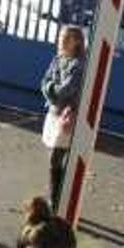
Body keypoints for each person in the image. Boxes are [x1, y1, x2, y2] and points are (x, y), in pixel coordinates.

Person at [40, 26, 86, 210]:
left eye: (66, 38)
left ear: (77, 42)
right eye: (61, 37)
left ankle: (55, 200)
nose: (61, 41)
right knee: (56, 159)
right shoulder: (58, 58)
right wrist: (52, 90)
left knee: (56, 159)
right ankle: (58, 197)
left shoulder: (78, 65)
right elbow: (44, 81)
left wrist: (51, 90)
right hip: (53, 114)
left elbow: (66, 91)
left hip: (66, 117)